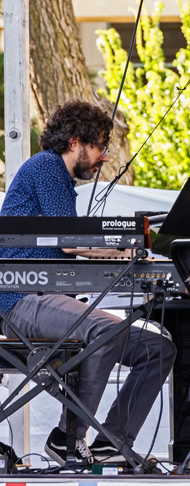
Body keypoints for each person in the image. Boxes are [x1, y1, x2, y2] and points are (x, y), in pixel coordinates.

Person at [0, 100, 176, 466]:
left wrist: (126, 253)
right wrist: (125, 250)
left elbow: (69, 241)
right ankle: (69, 439)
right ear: (75, 140)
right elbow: (71, 241)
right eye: (100, 147)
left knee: (157, 349)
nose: (105, 158)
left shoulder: (60, 181)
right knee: (106, 329)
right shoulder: (46, 167)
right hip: (20, 300)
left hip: (46, 300)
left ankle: (111, 442)